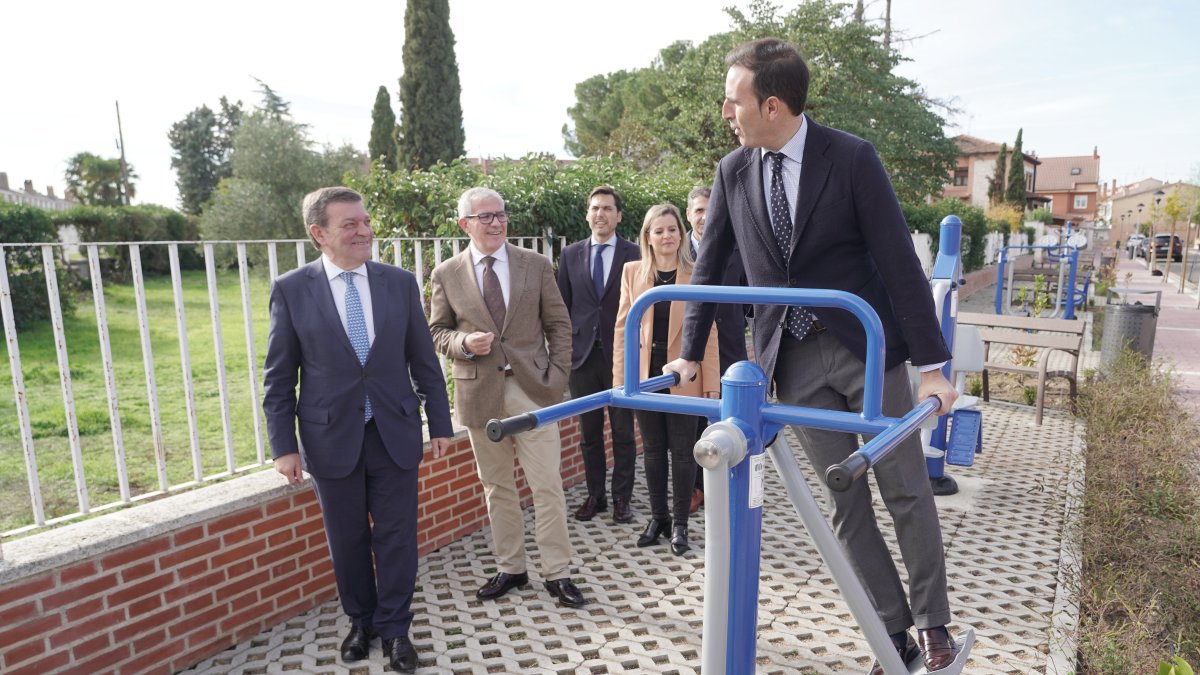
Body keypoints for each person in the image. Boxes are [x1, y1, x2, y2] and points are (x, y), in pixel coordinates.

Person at [665, 38, 960, 673]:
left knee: (904, 486)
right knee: (843, 500)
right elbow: (712, 264)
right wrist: (689, 356)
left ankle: (934, 623)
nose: (726, 112)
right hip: (791, 358)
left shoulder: (851, 158)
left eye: (733, 99)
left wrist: (934, 364)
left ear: (771, 105)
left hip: (864, 348)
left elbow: (898, 261)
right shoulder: (733, 170)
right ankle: (893, 632)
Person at [262, 186, 453, 673]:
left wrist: (441, 424)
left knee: (396, 538)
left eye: (365, 221)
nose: (364, 231)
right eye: (350, 224)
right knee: (346, 539)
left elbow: (424, 360)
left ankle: (395, 630)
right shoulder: (291, 289)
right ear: (318, 233)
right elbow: (280, 377)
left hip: (394, 432)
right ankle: (360, 622)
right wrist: (285, 446)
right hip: (330, 439)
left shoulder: (398, 282)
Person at [428, 187, 587, 609]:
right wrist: (464, 343)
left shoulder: (534, 265)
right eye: (485, 217)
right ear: (465, 224)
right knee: (497, 487)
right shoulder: (446, 273)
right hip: (481, 394)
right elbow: (436, 332)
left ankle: (558, 573)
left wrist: (556, 379)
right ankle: (511, 568)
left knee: (547, 485)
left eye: (500, 214)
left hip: (534, 391)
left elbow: (559, 325)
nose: (497, 222)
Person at [613, 203, 720, 556]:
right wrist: (620, 380)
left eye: (672, 229)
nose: (666, 236)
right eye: (658, 231)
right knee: (654, 451)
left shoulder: (697, 271)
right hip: (644, 376)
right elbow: (621, 329)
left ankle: (680, 525)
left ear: (681, 233)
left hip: (682, 374)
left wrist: (711, 382)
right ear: (647, 236)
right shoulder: (632, 272)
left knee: (683, 452)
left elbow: (710, 330)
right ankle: (657, 518)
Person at [557, 186, 641, 523]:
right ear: (587, 214)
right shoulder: (570, 254)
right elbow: (562, 308)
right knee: (588, 434)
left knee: (622, 433)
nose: (600, 214)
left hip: (622, 357)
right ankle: (596, 497)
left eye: (607, 208)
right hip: (583, 358)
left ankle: (622, 498)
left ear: (618, 215)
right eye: (595, 208)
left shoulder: (635, 253)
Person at [685, 186, 750, 514]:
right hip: (692, 354)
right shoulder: (676, 249)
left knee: (729, 421)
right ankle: (696, 487)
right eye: (698, 210)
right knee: (695, 423)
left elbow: (752, 297)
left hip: (729, 349)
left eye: (711, 210)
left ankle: (729, 485)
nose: (705, 216)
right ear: (689, 214)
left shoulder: (738, 247)